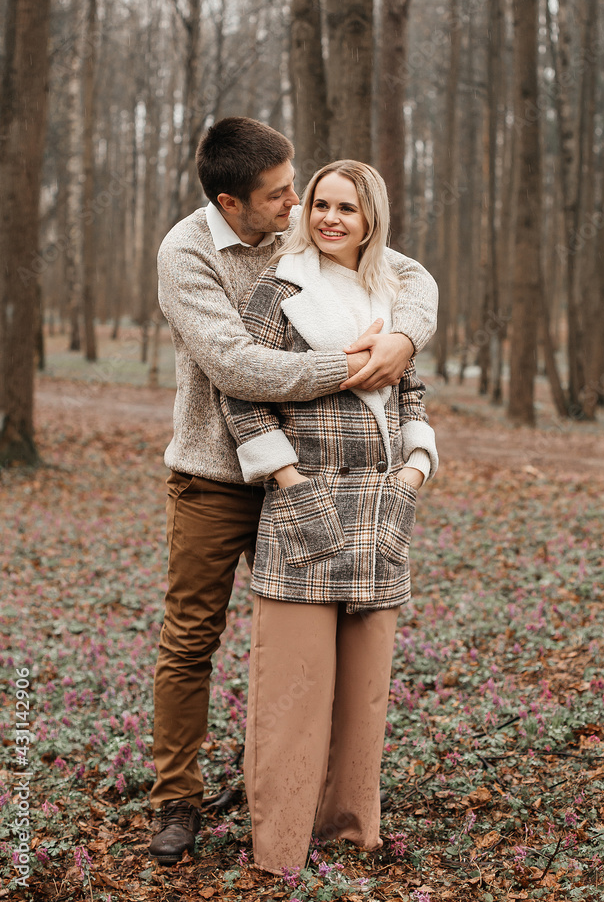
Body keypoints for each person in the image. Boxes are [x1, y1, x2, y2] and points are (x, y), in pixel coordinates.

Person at [149, 119, 439, 865]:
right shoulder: (185, 253)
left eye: (296, 190)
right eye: (279, 195)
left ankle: (286, 785)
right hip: (216, 477)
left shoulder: (300, 233)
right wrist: (353, 366)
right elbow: (238, 370)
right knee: (191, 639)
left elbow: (407, 276)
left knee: (294, 651)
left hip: (312, 484)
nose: (297, 204)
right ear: (230, 201)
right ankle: (175, 798)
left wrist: (401, 343)